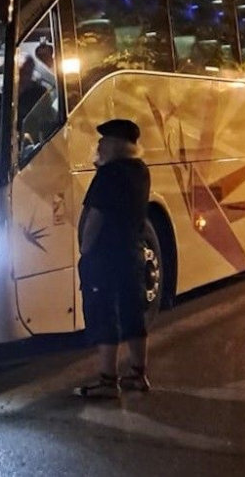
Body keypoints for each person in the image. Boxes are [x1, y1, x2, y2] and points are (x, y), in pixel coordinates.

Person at [73, 119, 151, 399]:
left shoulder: (109, 175)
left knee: (104, 313)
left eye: (104, 142)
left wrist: (85, 249)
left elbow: (96, 216)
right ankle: (138, 375)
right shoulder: (139, 171)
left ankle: (108, 382)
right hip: (131, 252)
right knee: (133, 311)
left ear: (116, 146)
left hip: (104, 257)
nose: (99, 146)